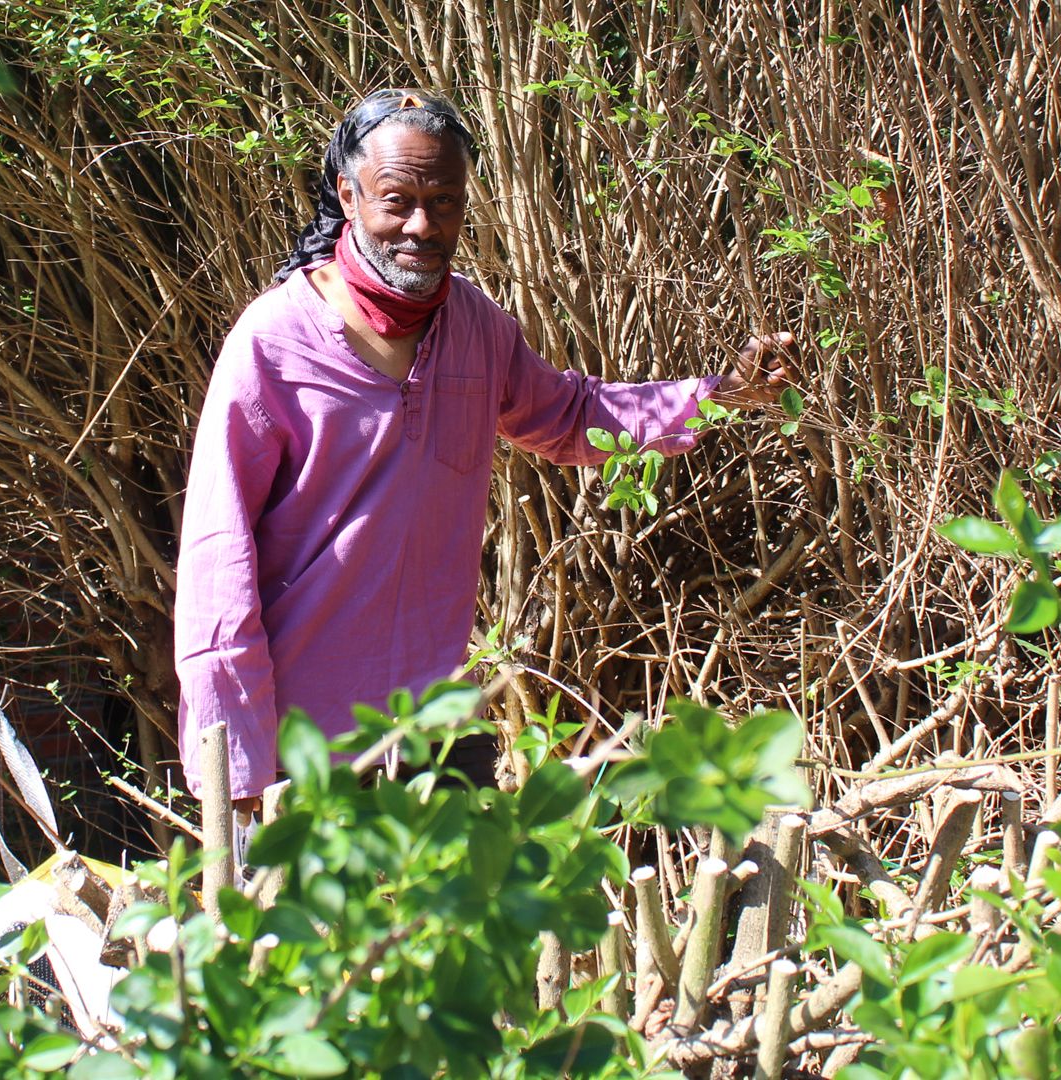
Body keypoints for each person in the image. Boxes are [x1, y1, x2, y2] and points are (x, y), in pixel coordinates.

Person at [174, 89, 789, 809]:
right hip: (302, 747)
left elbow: (571, 414)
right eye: (396, 199)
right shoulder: (273, 342)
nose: (421, 225)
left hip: (436, 730)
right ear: (348, 194)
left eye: (445, 202)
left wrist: (723, 395)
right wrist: (238, 765)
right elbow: (218, 562)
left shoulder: (474, 326)